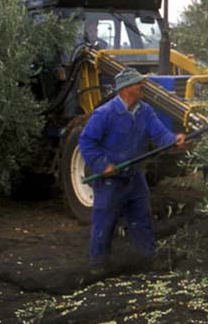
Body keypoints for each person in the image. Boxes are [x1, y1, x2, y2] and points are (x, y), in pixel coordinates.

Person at [79, 68, 185, 274]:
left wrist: (174, 140)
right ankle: (98, 264)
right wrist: (102, 165)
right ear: (126, 89)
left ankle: (148, 259)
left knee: (142, 219)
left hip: (134, 176)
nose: (142, 87)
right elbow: (86, 141)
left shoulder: (145, 111)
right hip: (111, 180)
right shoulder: (105, 114)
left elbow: (160, 134)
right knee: (104, 223)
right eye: (139, 84)